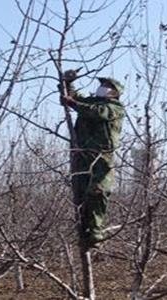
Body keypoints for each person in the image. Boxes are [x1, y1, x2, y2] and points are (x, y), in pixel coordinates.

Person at [60, 70, 125, 248]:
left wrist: (74, 103)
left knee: (97, 192)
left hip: (101, 157)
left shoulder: (115, 107)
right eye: (102, 85)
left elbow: (98, 112)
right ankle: (84, 234)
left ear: (114, 92)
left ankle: (95, 232)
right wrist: (67, 83)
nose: (102, 88)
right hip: (82, 155)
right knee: (80, 193)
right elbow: (72, 97)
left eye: (106, 86)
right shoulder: (91, 102)